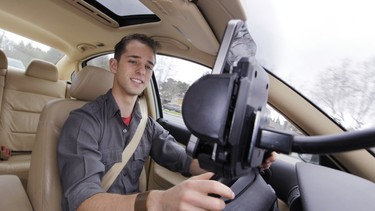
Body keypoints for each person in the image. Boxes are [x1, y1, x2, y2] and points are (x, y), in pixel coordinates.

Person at [57, 33, 276, 211]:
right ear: (114, 65)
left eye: (148, 66)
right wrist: (157, 201)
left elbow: (186, 162)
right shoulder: (83, 122)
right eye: (133, 61)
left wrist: (245, 158)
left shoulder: (147, 126)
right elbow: (84, 202)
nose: (141, 71)